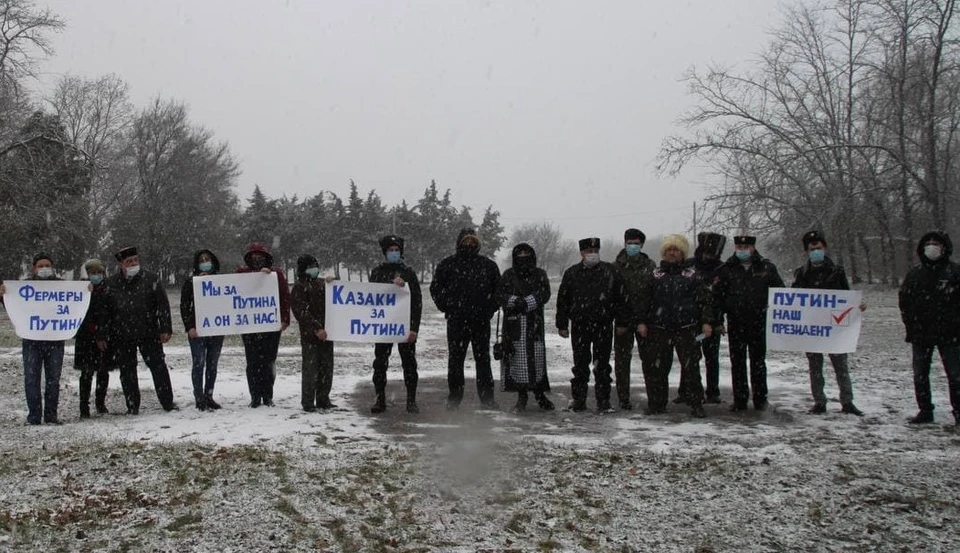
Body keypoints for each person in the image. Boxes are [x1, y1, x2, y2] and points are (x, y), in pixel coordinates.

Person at [638, 235, 713, 418]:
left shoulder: (692, 275)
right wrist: (641, 321)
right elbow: (644, 300)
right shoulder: (654, 275)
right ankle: (656, 404)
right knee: (657, 370)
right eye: (669, 250)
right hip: (659, 329)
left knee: (691, 369)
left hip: (686, 329)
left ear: (682, 253)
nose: (672, 253)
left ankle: (696, 403)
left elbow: (705, 301)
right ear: (664, 252)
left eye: (676, 250)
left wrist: (706, 322)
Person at [793, 231, 865, 417]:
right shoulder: (802, 274)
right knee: (815, 367)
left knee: (841, 366)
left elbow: (846, 296)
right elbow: (793, 299)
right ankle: (819, 401)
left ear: (824, 248)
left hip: (835, 327)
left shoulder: (836, 271)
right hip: (812, 327)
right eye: (812, 249)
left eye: (818, 248)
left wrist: (856, 306)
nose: (815, 251)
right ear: (806, 252)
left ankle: (847, 401)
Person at [430, 228, 502, 410]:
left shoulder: (488, 266)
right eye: (466, 242)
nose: (469, 245)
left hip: (481, 321)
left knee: (483, 360)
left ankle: (487, 399)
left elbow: (498, 291)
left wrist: (489, 309)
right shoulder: (447, 264)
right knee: (455, 361)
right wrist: (448, 306)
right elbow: (436, 289)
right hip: (456, 321)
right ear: (459, 243)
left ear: (477, 244)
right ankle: (454, 398)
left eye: (473, 242)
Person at [713, 235, 784, 411]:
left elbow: (781, 294)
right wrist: (718, 320)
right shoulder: (727, 269)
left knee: (758, 362)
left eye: (746, 246)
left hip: (759, 321)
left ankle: (760, 399)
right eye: (739, 246)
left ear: (753, 248)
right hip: (736, 322)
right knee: (737, 362)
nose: (742, 250)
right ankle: (740, 399)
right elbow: (718, 298)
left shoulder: (767, 267)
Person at [556, 237, 626, 413]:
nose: (592, 254)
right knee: (580, 364)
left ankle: (604, 401)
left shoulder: (610, 271)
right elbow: (563, 300)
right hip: (580, 325)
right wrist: (562, 324)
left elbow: (621, 299)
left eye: (595, 251)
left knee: (602, 365)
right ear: (582, 253)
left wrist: (622, 321)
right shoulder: (572, 273)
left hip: (603, 325)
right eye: (589, 251)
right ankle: (579, 400)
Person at [106, 246, 178, 414]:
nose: (133, 264)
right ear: (121, 264)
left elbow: (163, 305)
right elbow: (105, 311)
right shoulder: (111, 284)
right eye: (129, 261)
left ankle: (167, 401)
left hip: (149, 332)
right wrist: (104, 334)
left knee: (158, 366)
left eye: (135, 260)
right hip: (122, 334)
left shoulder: (151, 279)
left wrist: (165, 328)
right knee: (127, 371)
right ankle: (132, 405)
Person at [899, 231, 960, 425]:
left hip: (950, 334)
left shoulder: (955, 272)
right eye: (928, 243)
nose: (932, 247)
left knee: (955, 374)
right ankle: (925, 410)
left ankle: (958, 411)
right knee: (920, 374)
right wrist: (911, 325)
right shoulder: (915, 274)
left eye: (936, 243)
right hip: (921, 333)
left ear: (944, 247)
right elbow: (904, 301)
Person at [7, 254, 66, 424]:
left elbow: (75, 301)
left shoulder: (63, 286)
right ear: (34, 268)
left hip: (55, 340)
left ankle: (51, 415)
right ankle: (34, 416)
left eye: (47, 265)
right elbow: (13, 304)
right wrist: (3, 295)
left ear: (52, 267)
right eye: (41, 265)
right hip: (31, 340)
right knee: (31, 379)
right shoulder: (24, 286)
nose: (44, 268)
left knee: (53, 380)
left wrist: (86, 291)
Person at [497, 243, 554, 413]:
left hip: (534, 323)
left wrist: (528, 302)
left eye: (526, 253)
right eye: (519, 253)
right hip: (514, 324)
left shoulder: (539, 274)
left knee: (536, 360)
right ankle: (521, 396)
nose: (523, 256)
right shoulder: (508, 275)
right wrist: (515, 301)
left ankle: (539, 394)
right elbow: (499, 295)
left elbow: (545, 293)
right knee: (516, 361)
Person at [369, 236, 421, 414]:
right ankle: (380, 399)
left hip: (404, 326)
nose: (394, 253)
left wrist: (414, 328)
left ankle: (411, 401)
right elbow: (370, 296)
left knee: (409, 364)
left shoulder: (409, 273)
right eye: (390, 250)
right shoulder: (377, 272)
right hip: (383, 326)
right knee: (380, 363)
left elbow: (416, 302)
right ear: (385, 253)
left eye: (396, 250)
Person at [674, 232, 727, 404]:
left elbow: (722, 298)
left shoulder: (721, 269)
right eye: (706, 252)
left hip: (712, 324)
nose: (708, 257)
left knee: (712, 357)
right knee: (689, 357)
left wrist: (718, 321)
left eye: (712, 254)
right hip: (691, 323)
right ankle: (684, 391)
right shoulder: (688, 266)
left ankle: (713, 392)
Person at [237, 242, 291, 408]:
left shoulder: (276, 275)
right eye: (254, 256)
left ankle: (267, 396)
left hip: (270, 326)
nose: (257, 259)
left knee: (268, 362)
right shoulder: (241, 274)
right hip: (249, 326)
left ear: (266, 258)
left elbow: (284, 298)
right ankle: (255, 396)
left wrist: (284, 319)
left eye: (260, 256)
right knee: (252, 363)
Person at [613, 228, 655, 410]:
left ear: (641, 245)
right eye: (630, 243)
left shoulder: (650, 266)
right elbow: (613, 296)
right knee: (622, 362)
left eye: (636, 243)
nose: (632, 246)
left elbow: (653, 295)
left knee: (650, 360)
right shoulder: (616, 266)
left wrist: (644, 320)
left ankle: (654, 397)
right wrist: (621, 320)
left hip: (644, 321)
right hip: (623, 321)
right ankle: (623, 398)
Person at [180, 249, 225, 411]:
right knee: (198, 363)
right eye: (202, 260)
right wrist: (190, 327)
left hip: (217, 329)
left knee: (212, 364)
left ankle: (209, 395)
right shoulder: (190, 282)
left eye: (208, 259)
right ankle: (199, 397)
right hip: (197, 330)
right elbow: (185, 307)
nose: (205, 262)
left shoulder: (222, 281)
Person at [290, 254, 335, 412]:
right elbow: (301, 312)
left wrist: (333, 284)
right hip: (311, 336)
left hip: (328, 334)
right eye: (310, 266)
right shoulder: (299, 287)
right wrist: (316, 328)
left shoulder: (322, 284)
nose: (314, 269)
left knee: (326, 369)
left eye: (315, 265)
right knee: (311, 371)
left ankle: (323, 399)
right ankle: (308, 402)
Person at [75, 258, 112, 418]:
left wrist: (102, 333)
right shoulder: (81, 289)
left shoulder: (108, 289)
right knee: (86, 372)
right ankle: (84, 405)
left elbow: (108, 312)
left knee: (103, 371)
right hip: (85, 338)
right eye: (93, 273)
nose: (96, 276)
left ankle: (100, 402)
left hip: (104, 336)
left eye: (99, 273)